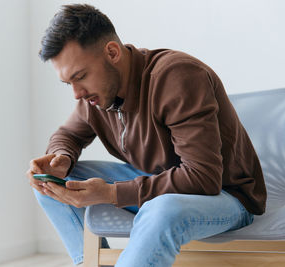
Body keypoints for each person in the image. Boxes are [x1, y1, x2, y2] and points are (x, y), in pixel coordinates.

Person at [26, 4, 266, 267]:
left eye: (80, 76)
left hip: (225, 196)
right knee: (49, 184)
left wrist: (111, 193)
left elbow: (203, 178)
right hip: (159, 185)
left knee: (161, 209)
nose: (76, 93)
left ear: (112, 52)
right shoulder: (96, 96)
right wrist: (60, 158)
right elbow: (68, 134)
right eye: (68, 83)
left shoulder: (177, 77)